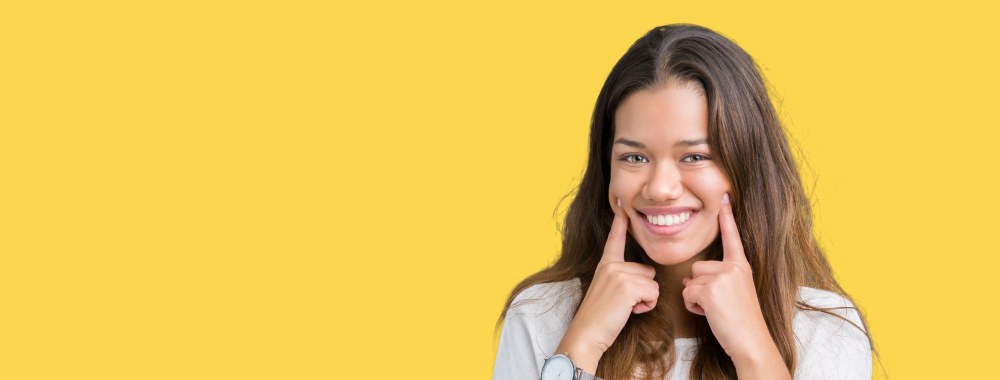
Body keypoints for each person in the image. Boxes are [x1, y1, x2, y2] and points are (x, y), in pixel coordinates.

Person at [492, 24, 877, 380]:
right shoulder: (541, 315)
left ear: (747, 167)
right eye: (634, 157)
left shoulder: (826, 328)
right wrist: (582, 345)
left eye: (694, 156)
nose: (660, 188)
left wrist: (753, 349)